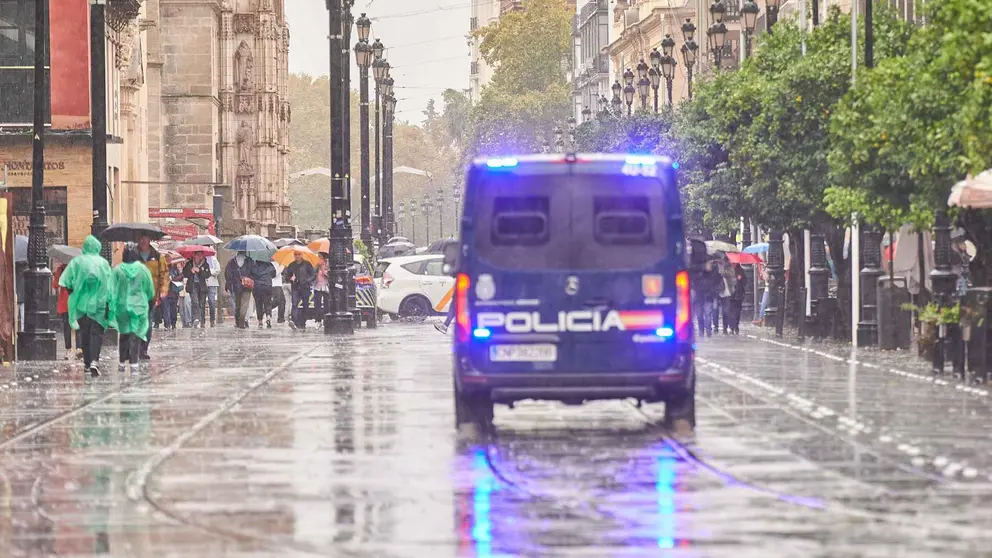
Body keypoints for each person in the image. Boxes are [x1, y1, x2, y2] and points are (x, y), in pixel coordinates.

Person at [59, 235, 113, 377]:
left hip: (82, 305)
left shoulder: (77, 262)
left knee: (85, 333)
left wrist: (74, 292)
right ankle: (94, 360)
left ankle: (87, 363)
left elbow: (65, 281)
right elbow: (110, 284)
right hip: (99, 305)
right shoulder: (103, 263)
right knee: (96, 333)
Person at [111, 243, 154, 372]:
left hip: (122, 306)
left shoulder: (118, 270)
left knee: (124, 334)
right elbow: (150, 289)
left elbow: (111, 289)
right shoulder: (143, 269)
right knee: (135, 334)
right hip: (139, 306)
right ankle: (134, 363)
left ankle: (121, 363)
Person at [137, 234, 170, 359]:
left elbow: (164, 274)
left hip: (151, 294)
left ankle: (143, 348)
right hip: (136, 294)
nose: (142, 240)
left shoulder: (157, 257)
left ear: (148, 240)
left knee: (148, 322)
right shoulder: (133, 256)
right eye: (140, 238)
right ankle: (137, 346)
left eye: (144, 238)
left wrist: (163, 289)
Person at [52, 262, 81, 359]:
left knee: (66, 327)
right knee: (77, 325)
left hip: (65, 302)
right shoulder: (77, 268)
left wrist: (57, 275)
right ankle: (79, 349)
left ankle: (68, 350)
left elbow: (55, 285)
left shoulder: (61, 269)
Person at [284, 251, 315, 330]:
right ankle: (295, 321)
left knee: (305, 304)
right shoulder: (291, 265)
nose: (297, 256)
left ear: (302, 255)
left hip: (305, 287)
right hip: (295, 287)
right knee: (294, 303)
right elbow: (287, 276)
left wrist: (307, 281)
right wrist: (291, 278)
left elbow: (313, 275)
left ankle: (302, 322)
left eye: (299, 254)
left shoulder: (307, 264)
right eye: (295, 255)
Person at [225, 251, 254, 328]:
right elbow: (253, 273)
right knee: (244, 305)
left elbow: (227, 274)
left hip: (235, 286)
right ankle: (242, 321)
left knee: (237, 305)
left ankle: (238, 321)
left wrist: (228, 286)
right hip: (247, 286)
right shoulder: (249, 261)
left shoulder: (231, 261)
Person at [183, 252, 211, 328]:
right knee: (195, 302)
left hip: (202, 286)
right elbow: (184, 273)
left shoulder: (205, 264)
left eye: (201, 255)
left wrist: (200, 271)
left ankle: (202, 321)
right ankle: (196, 319)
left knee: (201, 304)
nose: (200, 257)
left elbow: (208, 274)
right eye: (198, 255)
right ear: (194, 255)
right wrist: (190, 271)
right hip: (193, 285)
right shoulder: (189, 263)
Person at [251, 257, 276, 328]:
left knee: (258, 304)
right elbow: (274, 274)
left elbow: (251, 274)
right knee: (268, 303)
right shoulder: (269, 265)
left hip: (257, 286)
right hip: (267, 286)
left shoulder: (254, 265)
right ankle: (268, 317)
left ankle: (260, 321)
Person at [727, 263, 746, 335]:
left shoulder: (740, 270)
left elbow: (745, 282)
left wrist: (741, 279)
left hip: (738, 294)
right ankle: (731, 326)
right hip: (730, 294)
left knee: (737, 312)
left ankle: (736, 326)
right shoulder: (728, 269)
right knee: (730, 311)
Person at [164, 261, 183, 330]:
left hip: (174, 291)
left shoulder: (175, 269)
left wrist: (174, 278)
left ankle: (173, 323)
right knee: (166, 308)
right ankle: (167, 324)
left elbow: (181, 276)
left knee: (173, 308)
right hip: (165, 291)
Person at [205, 254, 221, 327]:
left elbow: (218, 270)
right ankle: (202, 320)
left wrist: (210, 272)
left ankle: (212, 320)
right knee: (201, 302)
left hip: (212, 283)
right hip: (203, 283)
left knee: (212, 302)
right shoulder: (201, 259)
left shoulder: (214, 259)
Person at [312, 253, 329, 322]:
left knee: (326, 304)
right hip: (317, 286)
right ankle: (318, 320)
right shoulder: (316, 265)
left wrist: (322, 267)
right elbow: (312, 273)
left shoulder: (328, 264)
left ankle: (326, 319)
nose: (318, 258)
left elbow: (327, 275)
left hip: (325, 287)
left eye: (320, 257)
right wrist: (317, 266)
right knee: (317, 304)